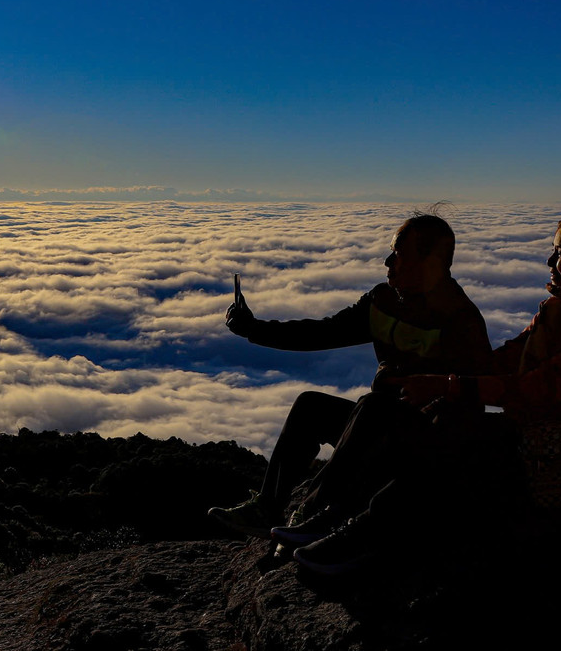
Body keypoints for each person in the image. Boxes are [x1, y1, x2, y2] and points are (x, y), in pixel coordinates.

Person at [288, 208, 561, 575]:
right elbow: (501, 361)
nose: (551, 260)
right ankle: (330, 512)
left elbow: (534, 390)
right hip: (533, 440)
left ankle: (368, 537)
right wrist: (423, 378)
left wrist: (448, 385)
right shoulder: (560, 312)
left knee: (449, 453)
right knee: (381, 407)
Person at [207, 212, 490, 538]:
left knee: (373, 406)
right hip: (376, 428)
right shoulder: (382, 301)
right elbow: (323, 333)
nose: (388, 262)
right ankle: (268, 507)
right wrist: (253, 329)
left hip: (423, 444)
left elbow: (475, 397)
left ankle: (315, 514)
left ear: (430, 262)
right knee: (310, 406)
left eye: (398, 254)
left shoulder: (461, 319)